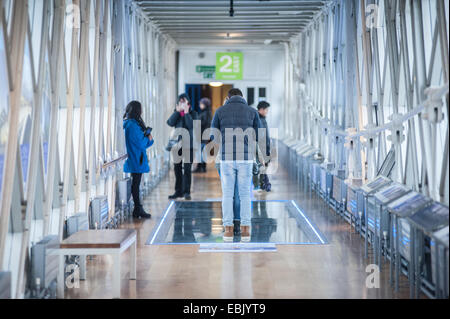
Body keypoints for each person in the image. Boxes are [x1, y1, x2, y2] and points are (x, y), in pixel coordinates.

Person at [211, 88, 262, 242]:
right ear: (242, 97)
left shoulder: (220, 111)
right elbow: (260, 134)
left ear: (228, 98)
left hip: (227, 158)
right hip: (245, 158)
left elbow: (214, 135)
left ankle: (228, 231)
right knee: (245, 194)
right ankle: (245, 231)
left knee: (227, 194)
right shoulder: (252, 111)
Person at [123, 101, 154, 219]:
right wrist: (149, 139)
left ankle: (138, 208)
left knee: (136, 184)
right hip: (137, 158)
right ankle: (138, 209)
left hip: (136, 157)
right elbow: (142, 143)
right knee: (135, 184)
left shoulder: (131, 124)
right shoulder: (133, 125)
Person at [167, 93, 198, 201]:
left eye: (184, 102)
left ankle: (186, 192)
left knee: (187, 169)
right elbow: (170, 122)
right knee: (177, 168)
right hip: (177, 145)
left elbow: (191, 125)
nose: (182, 104)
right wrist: (177, 112)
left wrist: (186, 113)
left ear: (188, 103)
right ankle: (178, 191)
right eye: (180, 102)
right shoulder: (176, 113)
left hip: (188, 145)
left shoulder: (193, 113)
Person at [253, 101, 272, 192]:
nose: (267, 111)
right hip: (261, 148)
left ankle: (264, 184)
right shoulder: (259, 120)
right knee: (262, 167)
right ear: (261, 109)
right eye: (266, 109)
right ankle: (263, 184)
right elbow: (262, 137)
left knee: (262, 168)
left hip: (262, 147)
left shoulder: (261, 119)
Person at [194, 97, 212, 173]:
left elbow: (202, 124)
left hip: (202, 136)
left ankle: (200, 167)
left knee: (200, 152)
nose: (200, 105)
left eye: (201, 104)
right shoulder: (207, 113)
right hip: (204, 136)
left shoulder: (205, 114)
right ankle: (202, 167)